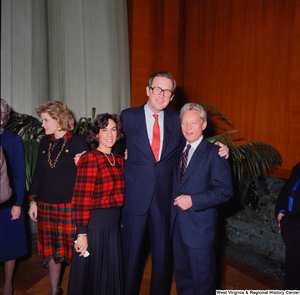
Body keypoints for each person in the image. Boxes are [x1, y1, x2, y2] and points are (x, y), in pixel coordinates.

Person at [118, 71, 229, 295]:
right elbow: (113, 147)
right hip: (135, 200)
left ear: (171, 96)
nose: (161, 94)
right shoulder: (128, 116)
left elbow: (194, 143)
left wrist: (220, 147)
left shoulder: (175, 120)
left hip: (166, 202)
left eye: (167, 91)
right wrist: (84, 154)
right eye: (157, 89)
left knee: (162, 260)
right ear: (148, 90)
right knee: (129, 259)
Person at [170, 103, 233, 294]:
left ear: (204, 125)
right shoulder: (175, 150)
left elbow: (224, 191)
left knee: (203, 283)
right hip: (177, 227)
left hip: (200, 230)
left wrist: (193, 200)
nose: (188, 127)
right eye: (184, 123)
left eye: (194, 122)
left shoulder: (215, 153)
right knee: (183, 279)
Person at [28, 101, 89, 295]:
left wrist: (83, 162)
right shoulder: (45, 142)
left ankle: (77, 290)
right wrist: (33, 201)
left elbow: (88, 176)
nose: (43, 124)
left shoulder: (78, 141)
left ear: (59, 119)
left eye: (46, 120)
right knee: (53, 255)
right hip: (46, 207)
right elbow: (38, 173)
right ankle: (55, 292)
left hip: (70, 207)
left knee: (76, 254)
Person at [67, 113, 125, 295]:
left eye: (113, 129)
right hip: (93, 230)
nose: (109, 134)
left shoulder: (119, 161)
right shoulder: (91, 158)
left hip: (113, 229)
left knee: (109, 280)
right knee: (90, 281)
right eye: (104, 129)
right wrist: (82, 232)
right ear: (96, 134)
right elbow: (81, 197)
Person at [0, 99, 27, 295]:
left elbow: (20, 174)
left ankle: (8, 283)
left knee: (9, 242)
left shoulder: (13, 139)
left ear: (2, 119)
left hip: (8, 199)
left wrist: (17, 204)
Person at [275, 162, 300, 290]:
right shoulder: (298, 167)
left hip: (294, 229)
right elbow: (285, 191)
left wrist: (288, 224)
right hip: (292, 237)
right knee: (292, 282)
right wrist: (281, 212)